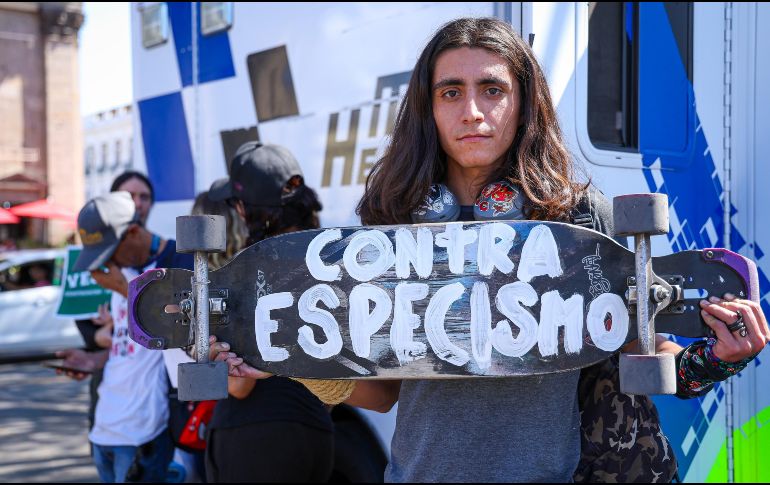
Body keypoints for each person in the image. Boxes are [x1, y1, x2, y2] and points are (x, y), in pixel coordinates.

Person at [213, 17, 769, 482]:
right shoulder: (392, 223)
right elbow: (382, 394)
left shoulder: (580, 217)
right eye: (451, 91)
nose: (472, 111)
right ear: (428, 108)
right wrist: (285, 361)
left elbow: (642, 358)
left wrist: (715, 360)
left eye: (492, 90)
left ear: (523, 102)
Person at [203, 141, 335, 482]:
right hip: (315, 430)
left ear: (245, 208)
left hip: (252, 435)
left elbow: (239, 387)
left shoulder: (249, 271)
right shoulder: (331, 261)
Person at [57, 191, 193, 482]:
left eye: (108, 253)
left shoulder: (180, 264)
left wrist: (125, 290)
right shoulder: (124, 272)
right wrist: (93, 360)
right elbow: (124, 346)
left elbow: (180, 334)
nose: (107, 264)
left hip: (144, 434)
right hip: (104, 428)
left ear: (132, 232)